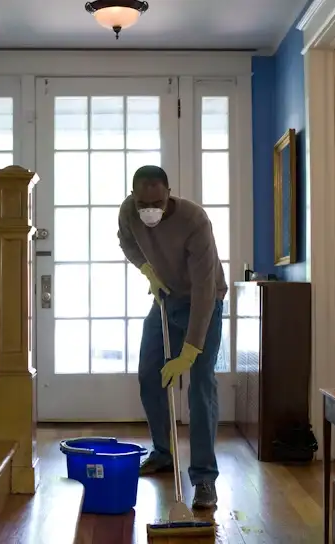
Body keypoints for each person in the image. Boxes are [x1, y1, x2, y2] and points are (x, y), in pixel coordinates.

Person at [117, 165, 227, 509]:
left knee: (201, 385)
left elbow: (205, 289)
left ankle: (204, 478)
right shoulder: (128, 211)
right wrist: (148, 271)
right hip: (165, 299)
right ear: (134, 197)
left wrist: (190, 352)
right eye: (143, 203)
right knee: (150, 374)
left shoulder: (194, 220)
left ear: (169, 194)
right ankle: (163, 453)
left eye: (158, 203)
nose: (150, 210)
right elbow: (126, 242)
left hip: (204, 302)